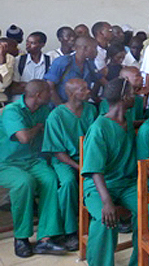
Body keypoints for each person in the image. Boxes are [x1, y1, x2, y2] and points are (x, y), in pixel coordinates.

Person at [0, 80, 68, 257]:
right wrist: (38, 127)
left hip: (31, 161)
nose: (51, 94)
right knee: (24, 183)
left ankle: (45, 238)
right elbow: (23, 137)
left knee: (50, 179)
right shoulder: (12, 111)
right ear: (38, 95)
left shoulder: (44, 111)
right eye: (48, 92)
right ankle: (21, 237)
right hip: (6, 163)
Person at [81, 78, 138, 266]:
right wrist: (107, 201)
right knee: (106, 221)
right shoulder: (99, 129)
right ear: (124, 97)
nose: (136, 95)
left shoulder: (127, 119)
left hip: (126, 183)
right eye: (132, 92)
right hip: (100, 186)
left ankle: (140, 260)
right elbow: (95, 171)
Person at [42, 79, 98, 251]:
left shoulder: (91, 110)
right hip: (65, 160)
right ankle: (71, 231)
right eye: (83, 89)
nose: (88, 91)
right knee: (67, 183)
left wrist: (89, 163)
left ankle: (100, 218)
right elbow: (57, 151)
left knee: (104, 176)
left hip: (88, 157)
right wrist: (78, 167)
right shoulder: (56, 116)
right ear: (72, 94)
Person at [44, 36, 102, 104]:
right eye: (94, 48)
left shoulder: (89, 64)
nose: (96, 51)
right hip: (59, 106)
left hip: (80, 106)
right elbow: (50, 87)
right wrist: (61, 107)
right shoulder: (62, 62)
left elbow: (98, 80)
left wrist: (92, 96)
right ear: (84, 48)